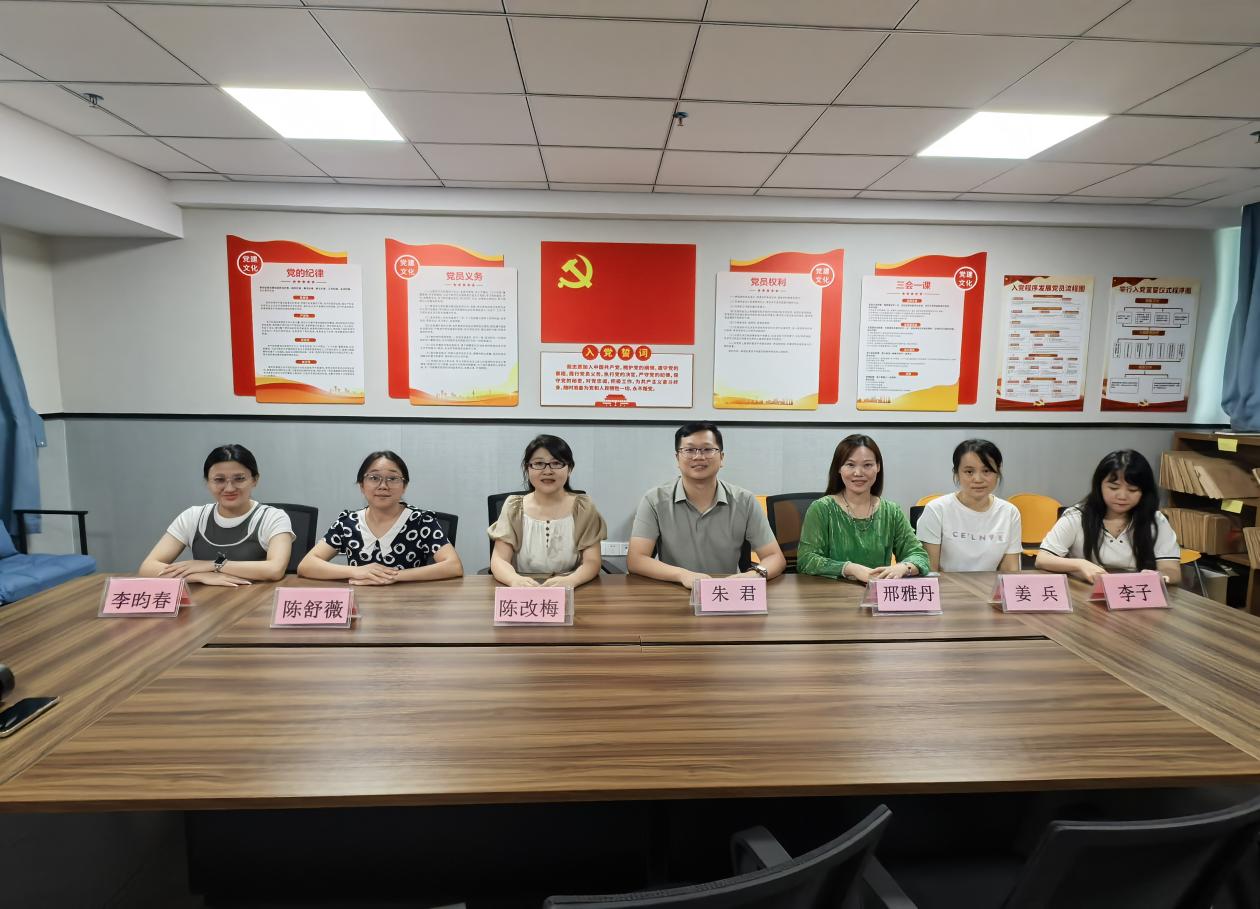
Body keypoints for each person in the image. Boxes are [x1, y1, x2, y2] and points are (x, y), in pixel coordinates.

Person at [628, 421, 785, 589]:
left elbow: (775, 557)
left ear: (721, 457)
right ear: (677, 458)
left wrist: (754, 575)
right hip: (674, 590)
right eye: (689, 450)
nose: (698, 457)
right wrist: (683, 575)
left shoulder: (745, 501)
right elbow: (636, 559)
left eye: (707, 449)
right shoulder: (654, 500)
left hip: (725, 592)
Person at [298, 450, 462, 585]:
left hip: (409, 604)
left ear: (404, 486)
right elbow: (306, 565)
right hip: (360, 605)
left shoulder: (421, 521)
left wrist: (393, 576)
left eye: (393, 479)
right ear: (362, 485)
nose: (383, 486)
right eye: (374, 478)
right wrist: (357, 571)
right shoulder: (348, 523)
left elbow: (453, 566)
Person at [139, 443, 293, 586]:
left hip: (254, 601)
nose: (229, 488)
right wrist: (199, 576)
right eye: (219, 480)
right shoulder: (193, 517)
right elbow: (148, 567)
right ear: (207, 482)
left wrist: (213, 565)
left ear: (255, 480)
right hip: (205, 602)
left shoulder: (273, 518)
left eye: (239, 479)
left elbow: (275, 569)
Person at [1036, 449, 1181, 585]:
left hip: (1134, 591)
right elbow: (1043, 559)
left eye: (1132, 490)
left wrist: (1160, 577)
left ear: (1144, 492)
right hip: (1085, 590)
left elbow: (1172, 570)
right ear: (1099, 485)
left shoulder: (1155, 521)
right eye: (1113, 488)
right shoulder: (1077, 516)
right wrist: (1080, 564)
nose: (1122, 496)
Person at [798, 434, 930, 582]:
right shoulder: (822, 509)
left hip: (878, 591)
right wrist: (849, 568)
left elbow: (919, 556)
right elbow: (806, 559)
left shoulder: (891, 511)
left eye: (867, 465)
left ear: (878, 467)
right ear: (839, 468)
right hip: (832, 592)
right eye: (850, 465)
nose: (858, 473)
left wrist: (904, 567)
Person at [488, 434, 607, 588]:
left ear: (570, 469)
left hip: (572, 589)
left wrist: (571, 581)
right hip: (524, 590)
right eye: (539, 463)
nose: (548, 471)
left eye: (556, 463)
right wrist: (514, 580)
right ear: (527, 468)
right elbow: (499, 559)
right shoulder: (513, 507)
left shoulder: (583, 508)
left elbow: (592, 561)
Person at [917, 439, 1023, 573]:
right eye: (969, 472)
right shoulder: (937, 510)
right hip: (946, 585)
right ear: (956, 473)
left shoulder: (1009, 513)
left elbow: (1009, 570)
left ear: (998, 471)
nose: (978, 479)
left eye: (986, 471)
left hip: (989, 586)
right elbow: (930, 570)